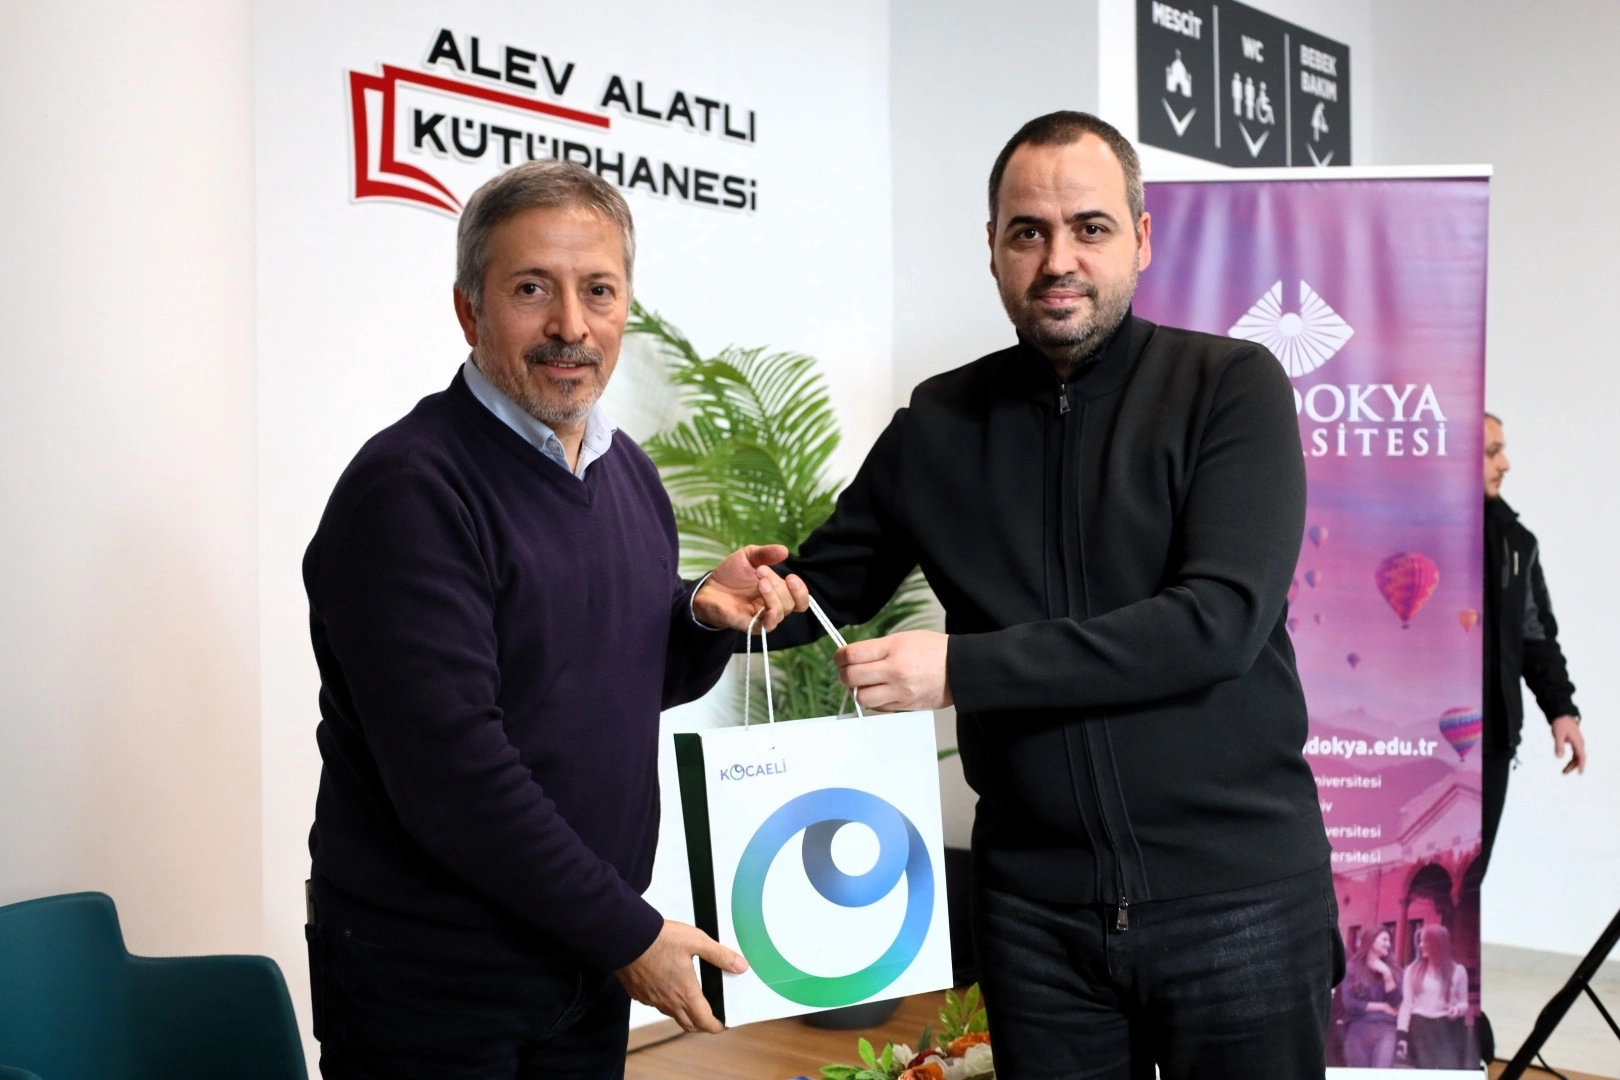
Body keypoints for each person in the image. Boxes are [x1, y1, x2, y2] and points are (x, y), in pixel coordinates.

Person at [777, 111, 1341, 1078]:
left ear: (1141, 239)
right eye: (1028, 232)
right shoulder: (939, 424)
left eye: (1090, 227)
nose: (1057, 260)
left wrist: (963, 670)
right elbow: (814, 585)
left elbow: (1217, 623)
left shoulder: (1229, 385)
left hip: (1238, 900)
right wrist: (721, 601)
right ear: (993, 248)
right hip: (1034, 919)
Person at [302, 160, 807, 1078]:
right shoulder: (411, 489)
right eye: (533, 289)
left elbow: (596, 679)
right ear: (470, 311)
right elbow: (454, 771)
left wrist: (699, 615)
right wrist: (627, 931)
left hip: (578, 959)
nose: (571, 325)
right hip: (434, 982)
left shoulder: (627, 474)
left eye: (598, 290)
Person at [1481, 411, 1587, 882]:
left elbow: (1536, 634)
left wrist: (1562, 711)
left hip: (1490, 740)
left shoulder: (1517, 542)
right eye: (1492, 453)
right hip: (1416, 743)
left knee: (1467, 885)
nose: (1505, 464)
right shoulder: (1419, 526)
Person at [1396, 925, 1473, 1068]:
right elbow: (1406, 1004)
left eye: (1425, 941)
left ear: (1439, 943)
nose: (1420, 945)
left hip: (1448, 1027)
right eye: (1420, 941)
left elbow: (1464, 1003)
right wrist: (1402, 1035)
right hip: (1420, 1027)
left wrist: (1457, 1010)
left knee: (1450, 1069)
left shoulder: (1458, 971)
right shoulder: (1412, 971)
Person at [1339, 929, 1402, 1067]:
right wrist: (1382, 1007)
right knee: (1360, 1075)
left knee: (1381, 1074)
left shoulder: (1394, 969)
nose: (1388, 944)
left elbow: (1396, 1002)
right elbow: (1349, 1004)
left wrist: (1387, 975)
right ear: (1370, 940)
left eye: (1389, 941)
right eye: (1384, 939)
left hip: (1386, 1029)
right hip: (1358, 1029)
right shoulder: (1351, 968)